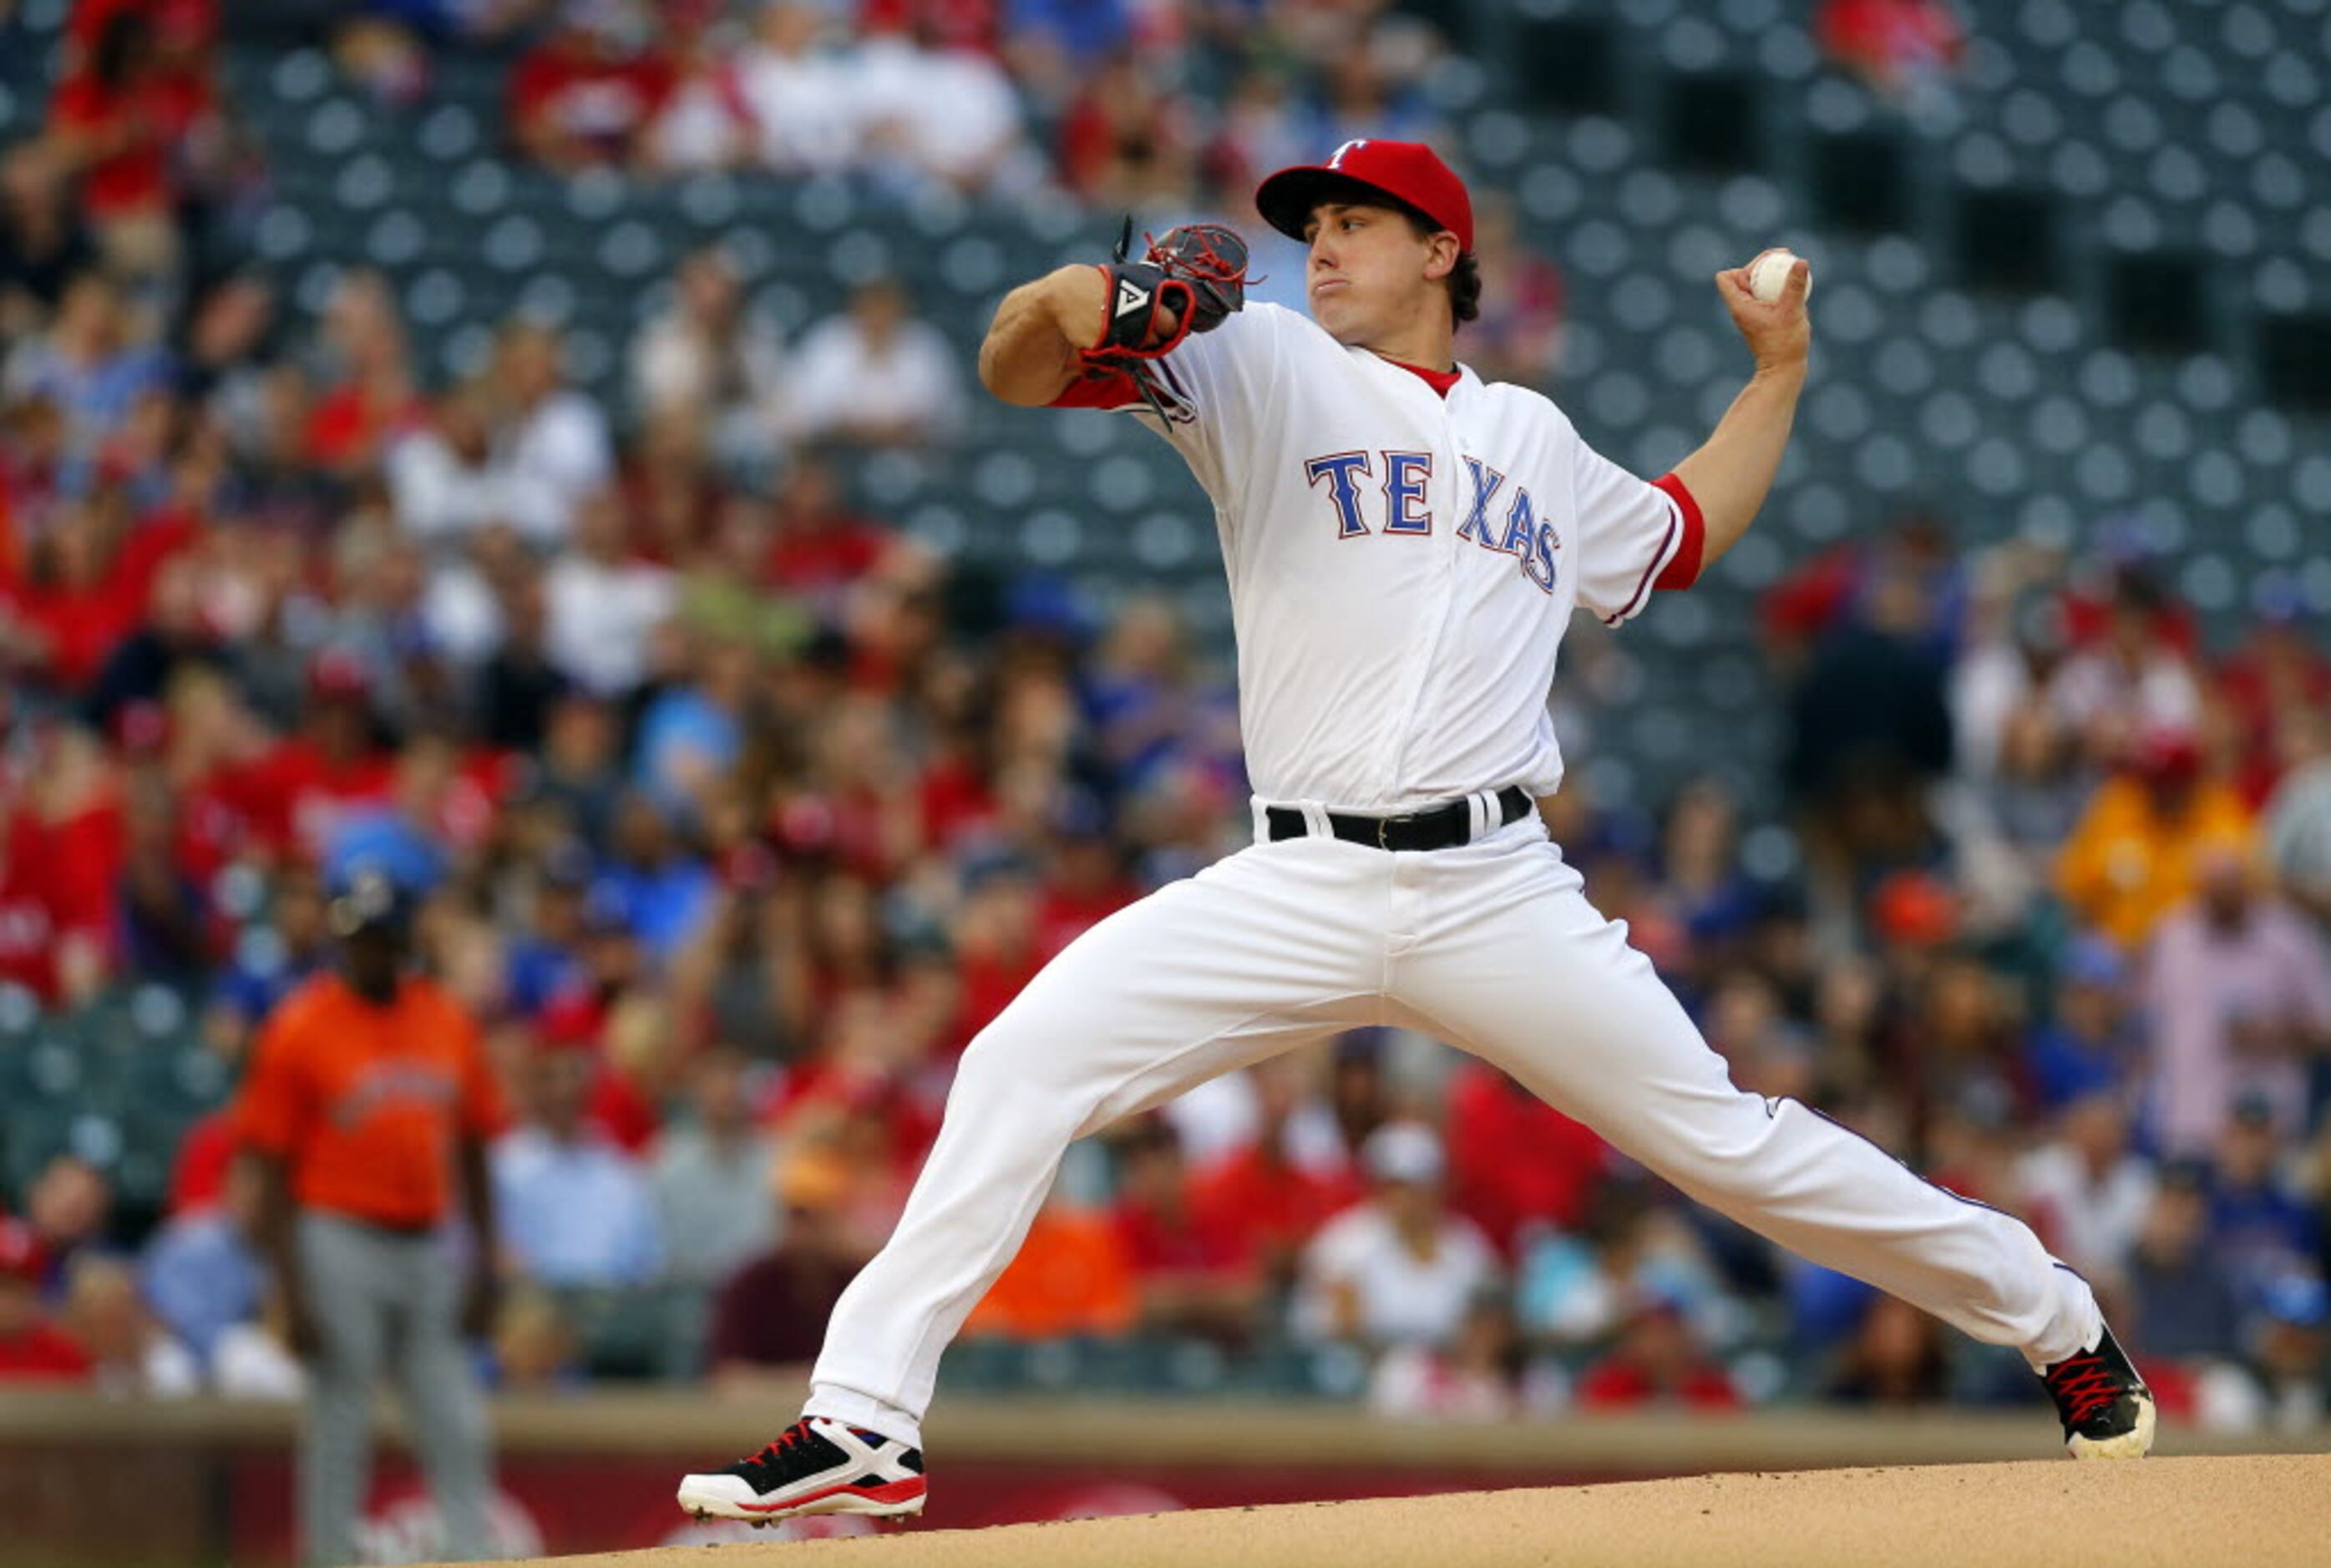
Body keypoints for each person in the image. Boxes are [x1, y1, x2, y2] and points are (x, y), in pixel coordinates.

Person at [676, 136, 2151, 1528]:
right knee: (1021, 1060)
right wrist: (1110, 294)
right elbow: (1019, 358)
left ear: (1442, 248)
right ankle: (865, 1416)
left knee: (1731, 1147)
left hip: (1495, 885)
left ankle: (2056, 1318)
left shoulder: (1537, 437)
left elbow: (1686, 532)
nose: (1318, 248)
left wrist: (1779, 371)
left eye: (1354, 224)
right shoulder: (1257, 360)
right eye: (1309, 228)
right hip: (1297, 875)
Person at [237, 868, 505, 1566]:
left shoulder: (446, 1018)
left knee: (455, 1418)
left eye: (384, 939)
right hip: (336, 1235)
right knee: (339, 1417)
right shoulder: (300, 1025)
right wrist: (288, 1287)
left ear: (406, 941)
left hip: (426, 1240)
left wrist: (485, 1257)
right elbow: (269, 1167)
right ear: (340, 941)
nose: (373, 953)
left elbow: (475, 1148)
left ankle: (470, 1552)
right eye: (360, 939)